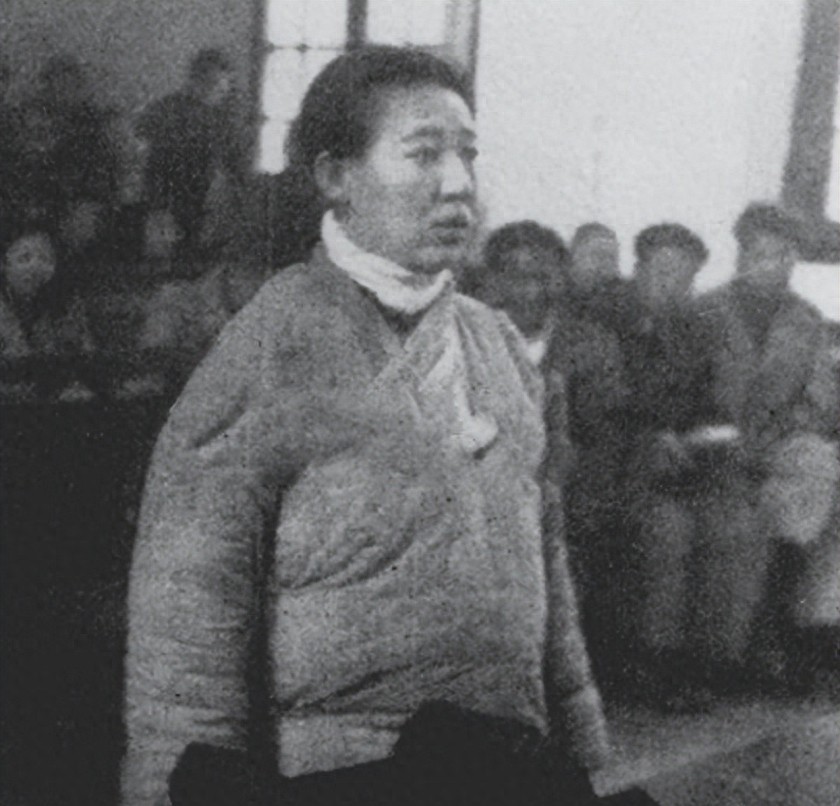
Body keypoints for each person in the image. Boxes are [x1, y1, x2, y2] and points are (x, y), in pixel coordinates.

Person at [123, 46, 646, 806]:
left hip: (512, 760)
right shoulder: (267, 349)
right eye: (424, 154)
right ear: (336, 177)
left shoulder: (496, 343)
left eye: (467, 156)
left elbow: (549, 574)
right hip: (343, 777)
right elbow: (184, 634)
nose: (458, 184)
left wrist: (585, 754)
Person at [698, 203, 840, 689]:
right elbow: (686, 395)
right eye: (762, 253)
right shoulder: (705, 312)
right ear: (742, 255)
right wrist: (729, 436)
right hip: (714, 442)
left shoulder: (806, 321)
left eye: (783, 255)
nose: (772, 265)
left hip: (775, 444)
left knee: (818, 465)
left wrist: (776, 433)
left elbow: (821, 401)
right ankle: (748, 649)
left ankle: (787, 631)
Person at [617, 223, 725, 705]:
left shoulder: (693, 334)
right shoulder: (608, 322)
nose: (673, 285)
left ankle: (711, 661)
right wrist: (652, 436)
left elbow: (712, 410)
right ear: (638, 269)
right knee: (670, 529)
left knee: (726, 522)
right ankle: (654, 664)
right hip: (613, 464)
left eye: (685, 276)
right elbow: (603, 404)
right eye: (662, 272)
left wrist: (699, 440)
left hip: (678, 467)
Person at [136, 48, 242, 258]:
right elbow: (145, 158)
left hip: (206, 205)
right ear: (195, 79)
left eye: (222, 87)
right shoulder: (165, 110)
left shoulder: (224, 120)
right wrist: (157, 207)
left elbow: (231, 164)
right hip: (167, 202)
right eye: (211, 84)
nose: (217, 92)